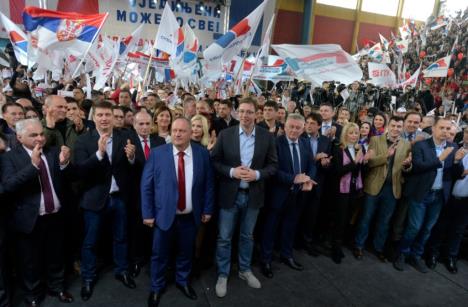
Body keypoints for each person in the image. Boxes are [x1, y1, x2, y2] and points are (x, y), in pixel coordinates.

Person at [141, 118, 214, 307]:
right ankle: (156, 288)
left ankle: (183, 282)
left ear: (191, 133)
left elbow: (208, 184)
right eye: (174, 130)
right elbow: (146, 186)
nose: (177, 134)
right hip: (163, 216)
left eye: (182, 131)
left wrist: (207, 208)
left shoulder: (202, 154)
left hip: (190, 216)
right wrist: (147, 213)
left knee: (186, 252)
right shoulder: (158, 154)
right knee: (159, 254)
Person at [1, 119, 74, 306]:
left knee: (56, 255)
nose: (40, 138)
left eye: (41, 134)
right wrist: (32, 166)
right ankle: (33, 295)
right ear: (19, 137)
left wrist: (65, 164)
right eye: (33, 135)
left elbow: (67, 180)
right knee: (30, 261)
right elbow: (8, 186)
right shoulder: (9, 158)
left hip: (55, 214)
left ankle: (57, 288)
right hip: (29, 218)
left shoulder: (52, 152)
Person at [211, 97, 277, 298]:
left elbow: (273, 165)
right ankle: (222, 274)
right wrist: (231, 172)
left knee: (247, 236)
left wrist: (257, 174)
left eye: (250, 112)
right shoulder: (226, 134)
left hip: (253, 196)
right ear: (236, 113)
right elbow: (214, 161)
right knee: (224, 238)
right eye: (242, 111)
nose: (245, 115)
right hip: (230, 195)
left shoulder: (266, 137)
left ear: (256, 114)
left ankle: (244, 270)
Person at [74, 101, 137, 301]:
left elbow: (132, 169)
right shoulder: (83, 141)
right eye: (100, 115)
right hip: (94, 199)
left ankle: (122, 270)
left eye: (107, 115)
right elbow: (80, 172)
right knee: (90, 242)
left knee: (121, 237)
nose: (104, 118)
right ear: (94, 118)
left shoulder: (125, 136)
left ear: (112, 116)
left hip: (119, 198)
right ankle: (88, 278)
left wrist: (132, 158)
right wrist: (99, 154)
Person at [393, 117, 465, 273]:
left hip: (439, 196)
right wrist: (441, 159)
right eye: (442, 128)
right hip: (421, 193)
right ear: (433, 129)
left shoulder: (452, 147)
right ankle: (402, 254)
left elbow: (457, 174)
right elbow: (418, 167)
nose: (445, 131)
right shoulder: (421, 145)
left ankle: (416, 256)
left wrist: (457, 162)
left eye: (448, 129)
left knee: (427, 229)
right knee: (414, 227)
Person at [260, 114, 316, 278]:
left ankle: (287, 255)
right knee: (270, 229)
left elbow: (312, 164)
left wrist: (309, 178)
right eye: (291, 126)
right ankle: (266, 260)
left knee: (290, 227)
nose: (294, 130)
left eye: (298, 127)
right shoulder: (275, 143)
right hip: (278, 195)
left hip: (297, 195)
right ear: (284, 126)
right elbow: (272, 170)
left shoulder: (305, 143)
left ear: (303, 128)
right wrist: (293, 178)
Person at [354, 117, 412, 261]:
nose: (396, 128)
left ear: (402, 127)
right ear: (388, 126)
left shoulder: (406, 144)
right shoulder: (375, 140)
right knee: (366, 218)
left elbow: (407, 167)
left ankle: (378, 248)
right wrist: (385, 155)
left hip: (392, 189)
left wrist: (407, 166)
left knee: (384, 221)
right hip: (373, 186)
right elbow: (369, 163)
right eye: (393, 125)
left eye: (399, 126)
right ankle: (359, 245)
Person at [128, 111, 166, 278]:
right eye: (140, 124)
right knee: (137, 229)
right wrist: (131, 158)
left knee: (156, 229)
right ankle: (137, 260)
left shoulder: (161, 141)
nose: (144, 127)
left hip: (158, 194)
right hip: (136, 193)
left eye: (147, 124)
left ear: (152, 124)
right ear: (134, 125)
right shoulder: (128, 141)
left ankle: (154, 259)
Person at [426, 128, 468, 274]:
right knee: (440, 227)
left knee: (458, 230)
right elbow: (448, 172)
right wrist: (457, 162)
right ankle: (432, 254)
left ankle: (451, 257)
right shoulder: (453, 149)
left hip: (465, 201)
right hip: (447, 196)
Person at [330, 123, 370, 264]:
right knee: (339, 219)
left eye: (356, 133)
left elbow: (360, 171)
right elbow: (338, 171)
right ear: (345, 134)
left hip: (354, 189)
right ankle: (335, 248)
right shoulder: (338, 149)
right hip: (341, 190)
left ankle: (341, 244)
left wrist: (365, 161)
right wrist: (356, 160)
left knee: (348, 218)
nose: (354, 136)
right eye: (351, 133)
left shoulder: (360, 149)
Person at [300, 113, 332, 256]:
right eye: (307, 122)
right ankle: (295, 241)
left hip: (318, 183)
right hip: (301, 182)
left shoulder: (326, 140)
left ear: (319, 125)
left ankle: (307, 241)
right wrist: (315, 158)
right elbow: (299, 161)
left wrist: (325, 163)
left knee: (312, 215)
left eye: (312, 123)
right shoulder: (300, 138)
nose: (308, 125)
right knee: (297, 213)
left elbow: (328, 162)